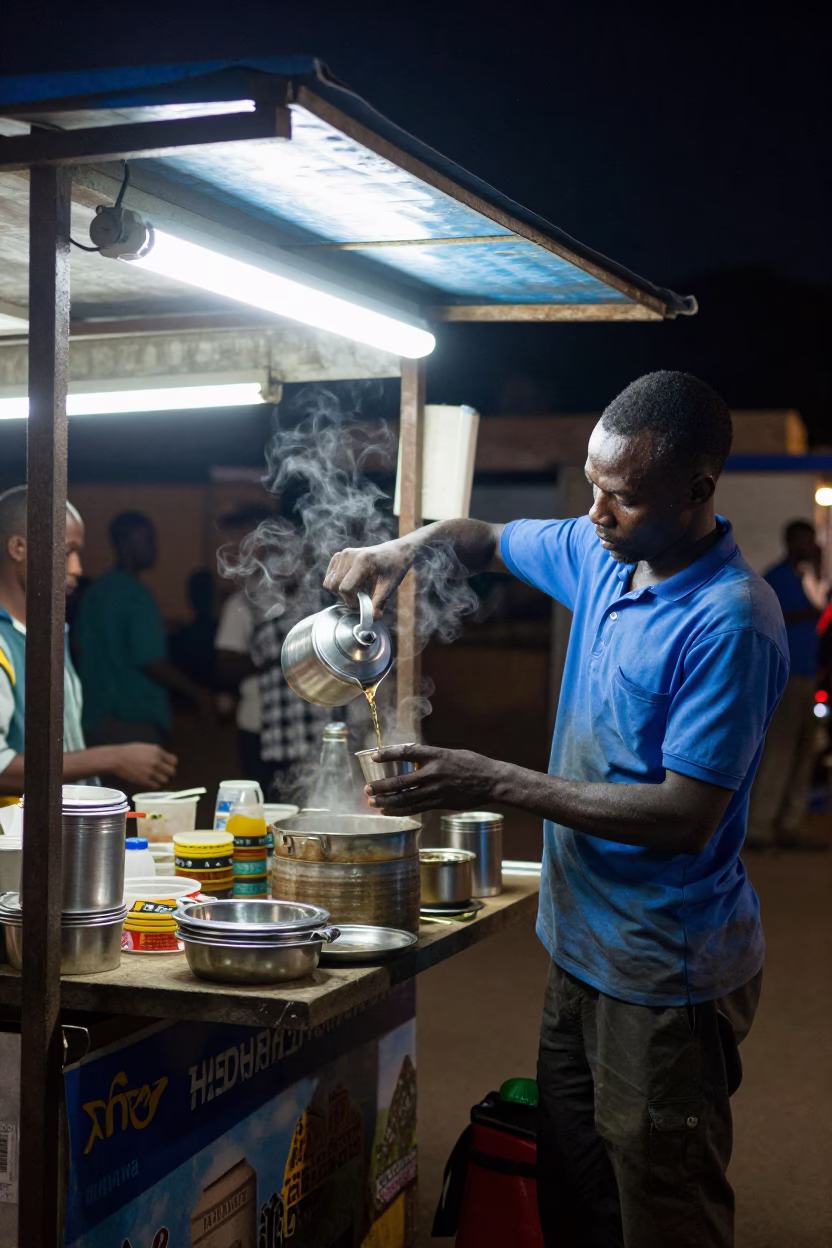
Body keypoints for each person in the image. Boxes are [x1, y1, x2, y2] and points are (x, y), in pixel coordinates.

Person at [325, 372, 789, 1248]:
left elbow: (683, 815)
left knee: (662, 1206)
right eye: (591, 484)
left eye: (621, 496)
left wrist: (493, 781)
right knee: (577, 1196)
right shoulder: (600, 552)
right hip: (579, 950)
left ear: (698, 490)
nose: (597, 512)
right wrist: (403, 551)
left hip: (664, 976)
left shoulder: (730, 623)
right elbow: (484, 537)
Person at [0, 486, 177, 794]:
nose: (77, 568)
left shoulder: (48, 636)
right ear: (18, 548)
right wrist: (112, 757)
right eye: (67, 552)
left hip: (55, 830)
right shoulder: (3, 644)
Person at [74, 512, 212, 766]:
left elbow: (80, 646)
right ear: (125, 544)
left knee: (105, 803)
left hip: (94, 719)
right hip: (134, 721)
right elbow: (152, 662)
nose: (154, 548)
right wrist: (198, 693)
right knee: (140, 804)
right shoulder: (137, 595)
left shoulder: (95, 593)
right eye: (148, 540)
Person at [747, 520, 829, 849]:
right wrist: (810, 614)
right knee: (779, 751)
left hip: (809, 675)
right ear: (791, 541)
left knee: (804, 752)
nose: (810, 547)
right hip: (784, 675)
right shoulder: (777, 578)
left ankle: (789, 824)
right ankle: (759, 827)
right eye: (805, 541)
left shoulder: (805, 578)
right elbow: (766, 619)